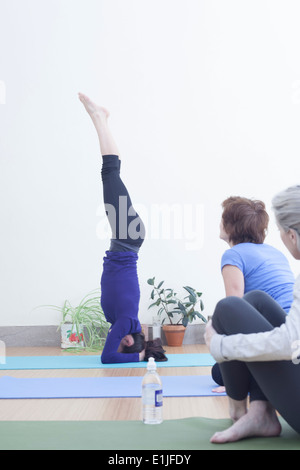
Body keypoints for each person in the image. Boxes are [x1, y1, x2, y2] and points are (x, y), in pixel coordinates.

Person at [205, 185, 300, 444]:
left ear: (292, 235)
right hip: (289, 337)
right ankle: (261, 411)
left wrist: (219, 345)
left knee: (226, 310)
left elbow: (234, 302)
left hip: (289, 342)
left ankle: (238, 409)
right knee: (256, 300)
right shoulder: (274, 252)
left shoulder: (233, 254)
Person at [79, 93, 167, 364]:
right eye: (120, 344)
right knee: (110, 173)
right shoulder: (126, 323)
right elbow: (107, 358)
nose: (114, 340)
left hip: (126, 238)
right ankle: (100, 118)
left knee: (111, 174)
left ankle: (100, 119)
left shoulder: (119, 319)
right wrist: (140, 358)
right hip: (127, 237)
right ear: (127, 341)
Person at [212, 196, 295, 390]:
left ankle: (254, 381)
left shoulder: (233, 255)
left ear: (231, 225)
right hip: (292, 328)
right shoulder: (274, 252)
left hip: (278, 331)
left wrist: (234, 376)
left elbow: (232, 307)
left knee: (218, 372)